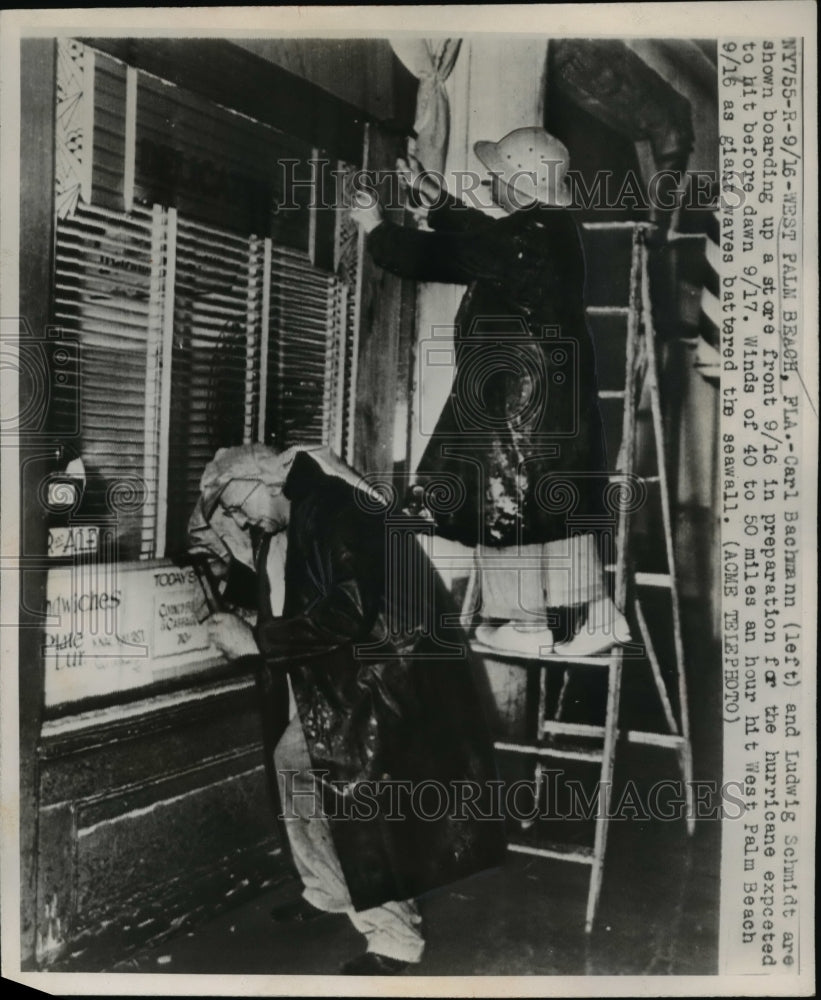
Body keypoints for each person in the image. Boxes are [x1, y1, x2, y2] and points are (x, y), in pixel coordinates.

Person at [188, 443, 506, 975]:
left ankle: (396, 937)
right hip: (357, 672)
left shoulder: (335, 509)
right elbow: (295, 589)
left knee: (357, 796)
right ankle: (330, 890)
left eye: (238, 507)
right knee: (294, 763)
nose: (240, 521)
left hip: (389, 676)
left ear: (266, 480)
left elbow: (349, 608)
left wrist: (258, 641)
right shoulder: (295, 514)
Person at [349, 126, 629, 656]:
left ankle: (528, 626)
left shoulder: (523, 239)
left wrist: (376, 230)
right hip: (543, 398)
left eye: (497, 175)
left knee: (501, 502)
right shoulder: (549, 230)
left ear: (521, 185)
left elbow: (440, 257)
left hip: (517, 403)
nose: (489, 181)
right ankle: (597, 614)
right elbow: (483, 241)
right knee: (548, 506)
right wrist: (438, 202)